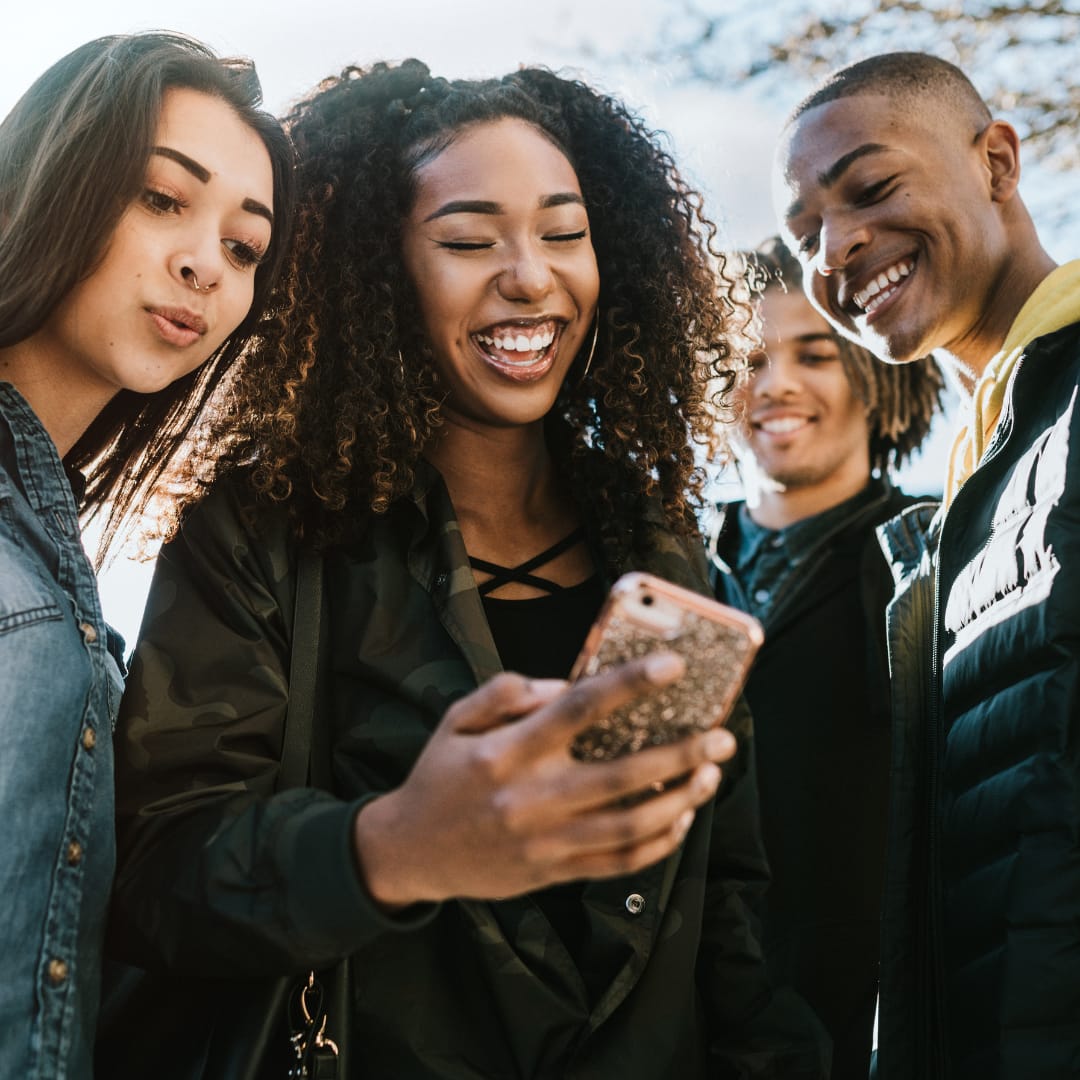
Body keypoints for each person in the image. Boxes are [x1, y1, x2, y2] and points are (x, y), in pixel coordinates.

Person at [104, 60, 828, 1078]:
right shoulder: (263, 531)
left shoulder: (670, 559)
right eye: (467, 240)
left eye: (564, 232)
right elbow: (153, 880)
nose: (530, 274)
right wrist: (392, 847)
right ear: (379, 271)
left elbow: (731, 929)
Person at [773, 50, 1080, 1079]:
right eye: (805, 232)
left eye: (871, 189)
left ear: (997, 160)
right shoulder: (966, 494)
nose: (838, 247)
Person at [0, 31, 294, 1079]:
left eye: (245, 247)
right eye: (163, 198)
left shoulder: (53, 542)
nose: (202, 264)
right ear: (52, 175)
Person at [708, 237, 943, 1080]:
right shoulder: (659, 558)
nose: (776, 385)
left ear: (879, 377)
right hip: (688, 1020)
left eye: (815, 355)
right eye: (751, 358)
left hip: (869, 1027)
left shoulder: (939, 555)